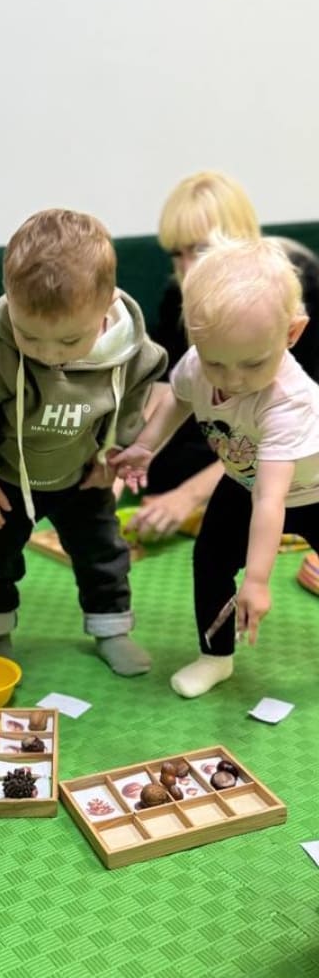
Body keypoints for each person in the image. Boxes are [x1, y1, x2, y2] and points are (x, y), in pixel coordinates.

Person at [0, 209, 167, 677]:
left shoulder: (135, 354)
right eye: (30, 336)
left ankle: (111, 629)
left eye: (68, 340)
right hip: (5, 478)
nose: (48, 353)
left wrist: (112, 455)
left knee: (103, 553)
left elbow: (131, 405)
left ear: (105, 311)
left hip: (83, 475)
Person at [112, 237, 319, 698]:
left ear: (291, 334)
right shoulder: (199, 364)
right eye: (215, 362)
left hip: (306, 488)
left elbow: (272, 498)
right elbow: (178, 401)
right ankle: (215, 656)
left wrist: (260, 580)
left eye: (252, 363)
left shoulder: (288, 401)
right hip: (244, 479)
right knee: (209, 560)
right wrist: (146, 446)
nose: (232, 379)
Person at [128, 170, 319, 540]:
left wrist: (188, 496)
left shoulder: (297, 291)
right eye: (176, 254)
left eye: (199, 250)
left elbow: (290, 431)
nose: (186, 267)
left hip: (282, 454)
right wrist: (133, 450)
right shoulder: (180, 293)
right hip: (217, 434)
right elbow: (167, 387)